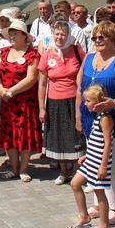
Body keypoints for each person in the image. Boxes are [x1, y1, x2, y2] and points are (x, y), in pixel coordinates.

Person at [76, 21, 115, 225]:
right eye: (95, 37)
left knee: (112, 165)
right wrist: (78, 114)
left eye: (102, 37)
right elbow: (79, 87)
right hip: (90, 119)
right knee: (94, 162)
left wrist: (114, 103)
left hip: (114, 121)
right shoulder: (89, 57)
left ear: (113, 38)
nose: (97, 40)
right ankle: (99, 204)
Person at [0, 19, 41, 182]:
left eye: (15, 33)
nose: (12, 36)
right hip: (7, 103)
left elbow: (31, 78)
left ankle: (23, 169)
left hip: (25, 103)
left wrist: (11, 91)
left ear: (24, 36)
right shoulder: (4, 51)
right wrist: (0, 88)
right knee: (10, 135)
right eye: (10, 33)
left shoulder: (32, 54)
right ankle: (14, 169)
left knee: (25, 135)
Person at [38, 20, 85, 185]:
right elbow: (42, 84)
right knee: (58, 136)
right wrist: (42, 108)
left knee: (75, 135)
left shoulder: (77, 51)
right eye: (57, 34)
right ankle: (63, 172)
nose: (60, 37)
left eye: (63, 34)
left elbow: (85, 73)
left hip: (74, 100)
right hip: (54, 101)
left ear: (68, 35)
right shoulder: (47, 54)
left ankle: (76, 172)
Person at [68, 84, 115, 228]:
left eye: (88, 101)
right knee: (75, 184)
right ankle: (84, 217)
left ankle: (104, 226)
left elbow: (108, 143)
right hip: (91, 160)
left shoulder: (106, 118)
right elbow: (97, 141)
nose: (85, 103)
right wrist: (87, 155)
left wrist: (103, 166)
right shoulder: (97, 117)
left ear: (98, 102)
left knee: (99, 192)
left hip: (99, 163)